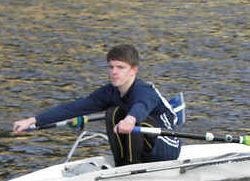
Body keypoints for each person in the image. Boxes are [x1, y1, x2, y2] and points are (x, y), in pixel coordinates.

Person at [13, 44, 181, 166]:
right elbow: (74, 108)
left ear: (133, 71)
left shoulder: (145, 90)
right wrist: (32, 120)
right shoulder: (109, 92)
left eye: (121, 67)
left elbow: (141, 106)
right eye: (111, 67)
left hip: (166, 145)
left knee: (133, 118)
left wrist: (130, 119)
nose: (114, 72)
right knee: (112, 112)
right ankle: (122, 164)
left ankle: (132, 166)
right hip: (142, 142)